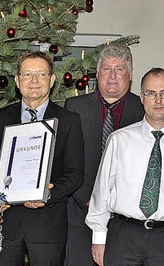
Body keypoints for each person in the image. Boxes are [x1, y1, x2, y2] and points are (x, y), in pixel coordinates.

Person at [86, 68, 164, 266]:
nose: (158, 100)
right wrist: (99, 238)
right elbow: (101, 192)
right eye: (151, 93)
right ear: (142, 97)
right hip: (123, 236)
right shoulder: (119, 140)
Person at [0, 51, 85, 265]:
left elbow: (75, 174)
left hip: (48, 227)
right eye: (27, 74)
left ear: (52, 80)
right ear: (17, 81)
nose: (34, 81)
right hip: (6, 225)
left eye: (41, 74)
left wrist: (48, 194)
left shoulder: (69, 120)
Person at [63, 45, 144, 266]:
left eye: (119, 69)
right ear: (97, 74)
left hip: (126, 218)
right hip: (80, 212)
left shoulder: (143, 109)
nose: (112, 76)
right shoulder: (74, 107)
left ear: (130, 74)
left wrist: (114, 203)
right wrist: (88, 199)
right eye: (106, 69)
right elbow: (66, 159)